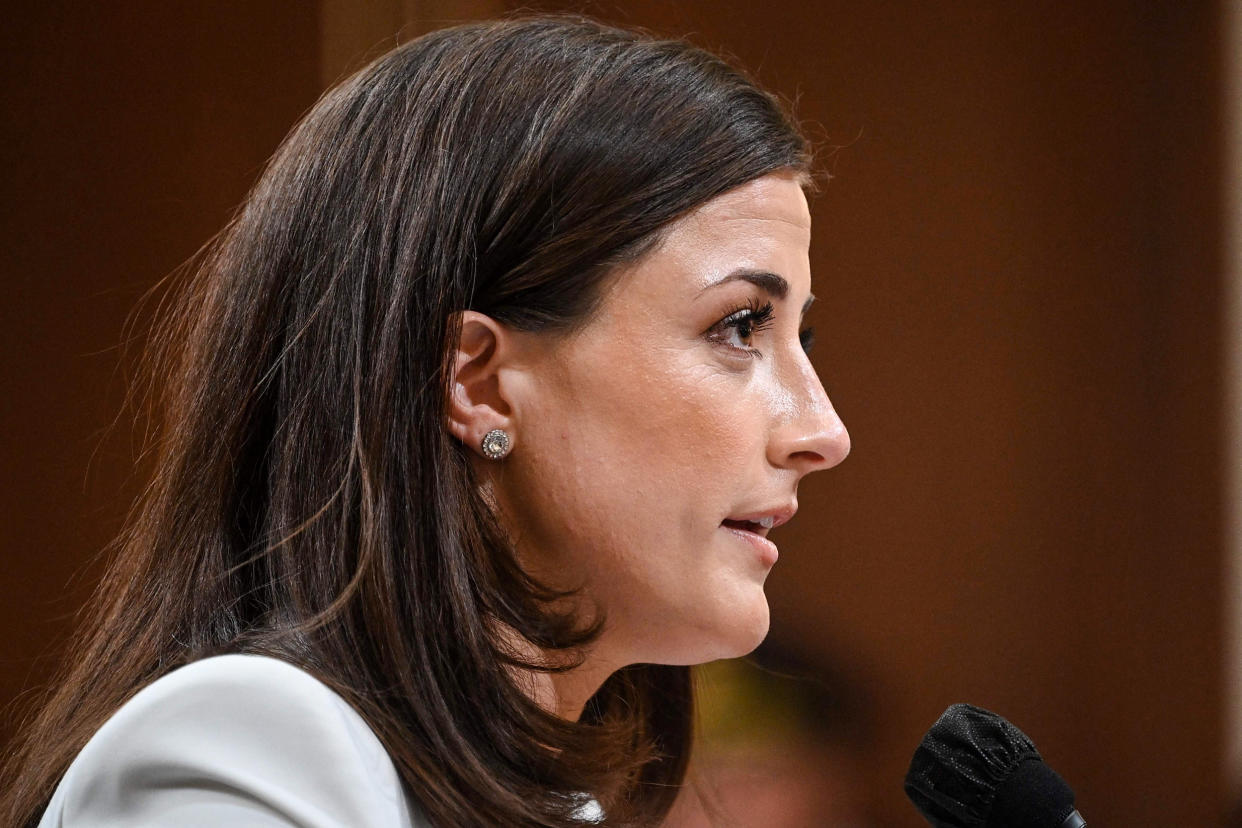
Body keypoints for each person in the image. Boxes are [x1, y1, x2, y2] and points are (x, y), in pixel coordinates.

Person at [3, 15, 849, 828]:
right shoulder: (248, 748)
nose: (822, 431)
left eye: (799, 338)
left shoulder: (566, 808)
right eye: (740, 326)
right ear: (478, 382)